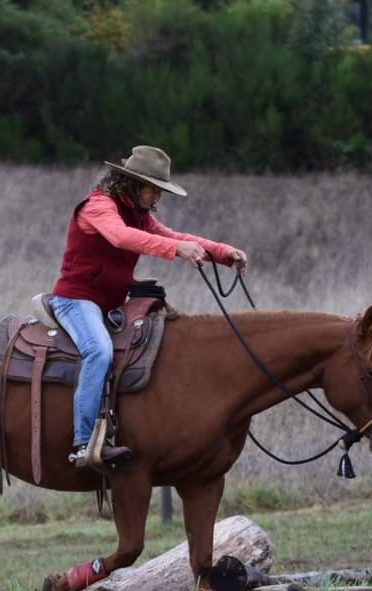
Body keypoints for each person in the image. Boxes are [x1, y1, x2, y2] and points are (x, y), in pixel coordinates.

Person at [49, 145, 248, 468]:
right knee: (98, 351)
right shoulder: (98, 206)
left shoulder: (138, 214)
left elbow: (173, 235)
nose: (157, 198)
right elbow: (121, 237)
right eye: (153, 189)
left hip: (111, 304)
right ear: (130, 182)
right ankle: (84, 443)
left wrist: (222, 253)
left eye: (160, 191)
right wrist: (176, 249)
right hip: (76, 300)